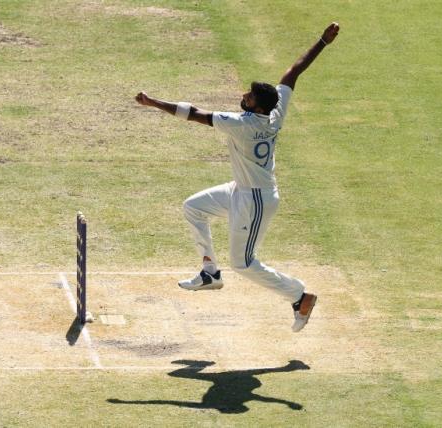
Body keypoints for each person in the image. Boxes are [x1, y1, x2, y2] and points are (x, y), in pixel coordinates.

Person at [135, 22, 340, 332]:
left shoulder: (241, 124)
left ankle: (300, 296)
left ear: (256, 105)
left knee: (243, 263)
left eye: (250, 96)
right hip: (240, 190)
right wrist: (322, 42)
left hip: (255, 199)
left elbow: (194, 114)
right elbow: (293, 72)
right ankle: (209, 273)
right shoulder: (275, 112)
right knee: (193, 207)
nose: (244, 96)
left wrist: (153, 103)